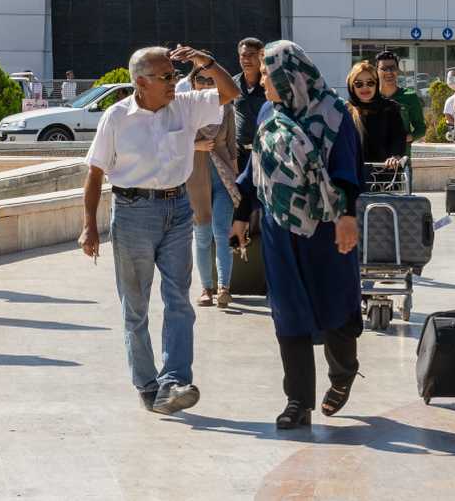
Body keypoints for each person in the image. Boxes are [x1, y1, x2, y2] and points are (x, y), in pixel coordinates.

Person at [78, 45, 238, 415]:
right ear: (140, 82)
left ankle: (175, 380)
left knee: (179, 299)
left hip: (178, 209)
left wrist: (206, 62)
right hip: (133, 213)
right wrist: (89, 225)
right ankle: (147, 384)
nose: (173, 82)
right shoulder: (116, 118)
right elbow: (95, 171)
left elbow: (230, 93)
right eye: (164, 76)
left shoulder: (184, 104)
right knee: (136, 307)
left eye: (173, 74)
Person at [230, 41, 364, 430]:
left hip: (325, 227)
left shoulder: (335, 115)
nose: (263, 81)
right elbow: (258, 165)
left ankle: (343, 374)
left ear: (290, 77)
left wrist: (347, 218)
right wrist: (242, 213)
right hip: (278, 229)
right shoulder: (269, 112)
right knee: (287, 312)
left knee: (335, 305)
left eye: (268, 74)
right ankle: (297, 401)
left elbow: (347, 172)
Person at [186, 68, 241, 308]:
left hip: (223, 176)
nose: (206, 84)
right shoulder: (185, 107)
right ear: (193, 82)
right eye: (201, 79)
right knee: (202, 235)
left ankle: (224, 288)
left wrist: (237, 179)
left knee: (221, 232)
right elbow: (169, 141)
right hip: (195, 177)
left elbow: (231, 144)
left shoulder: (226, 107)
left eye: (211, 80)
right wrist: (195, 144)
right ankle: (206, 288)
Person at [345, 61, 408, 170]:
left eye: (370, 83)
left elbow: (398, 137)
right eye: (359, 84)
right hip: (354, 178)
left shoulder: (390, 108)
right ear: (352, 86)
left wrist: (394, 156)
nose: (365, 88)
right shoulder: (345, 111)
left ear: (377, 84)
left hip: (385, 178)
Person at [231, 37, 269, 163]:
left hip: (265, 150)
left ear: (261, 56)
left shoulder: (270, 84)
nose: (246, 59)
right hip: (239, 153)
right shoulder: (232, 83)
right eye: (243, 55)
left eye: (251, 55)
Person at [373, 50, 425, 139]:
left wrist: (407, 138)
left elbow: (420, 129)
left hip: (401, 152)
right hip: (375, 152)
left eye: (392, 68)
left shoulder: (410, 96)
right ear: (376, 71)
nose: (389, 72)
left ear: (397, 70)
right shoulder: (370, 97)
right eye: (384, 68)